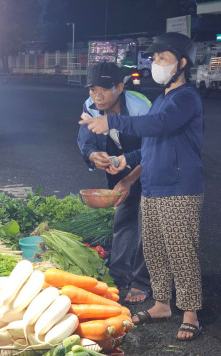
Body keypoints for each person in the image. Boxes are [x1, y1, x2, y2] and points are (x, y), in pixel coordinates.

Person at [80, 32, 204, 341]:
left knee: (181, 251)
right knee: (155, 250)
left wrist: (113, 123)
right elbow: (152, 141)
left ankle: (190, 314)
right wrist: (126, 159)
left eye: (163, 58)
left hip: (179, 188)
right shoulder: (162, 97)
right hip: (152, 186)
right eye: (155, 58)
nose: (156, 64)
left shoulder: (185, 97)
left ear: (183, 63)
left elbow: (157, 125)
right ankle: (162, 304)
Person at [77, 62, 152, 304]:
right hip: (119, 165)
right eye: (92, 89)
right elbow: (86, 141)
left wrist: (130, 179)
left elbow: (153, 150)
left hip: (152, 167)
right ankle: (118, 279)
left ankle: (142, 282)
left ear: (120, 87)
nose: (97, 97)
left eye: (104, 90)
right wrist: (93, 156)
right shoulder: (91, 105)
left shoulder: (141, 108)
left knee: (149, 226)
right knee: (123, 220)